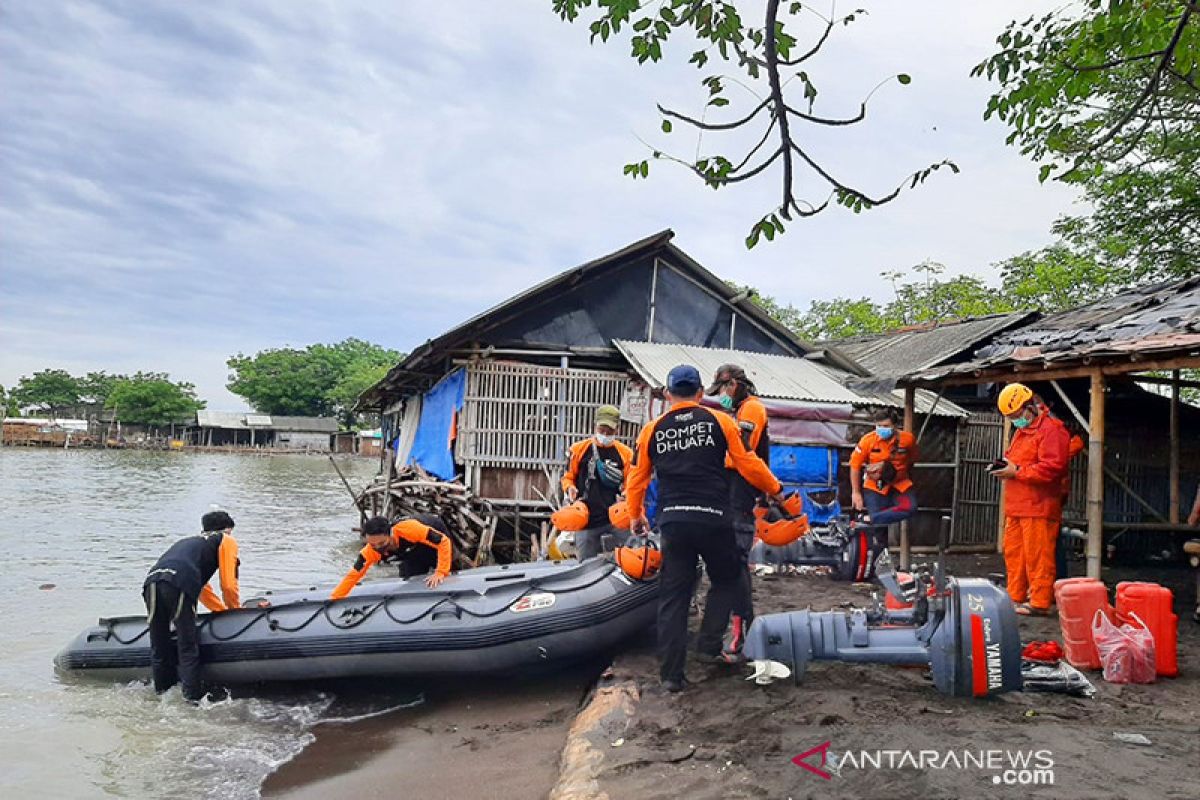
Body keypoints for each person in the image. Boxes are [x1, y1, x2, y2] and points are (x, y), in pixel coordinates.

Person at [626, 364, 787, 693]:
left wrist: (635, 514)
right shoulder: (721, 421)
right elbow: (749, 462)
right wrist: (776, 488)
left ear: (669, 394)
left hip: (673, 522)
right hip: (714, 518)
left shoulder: (652, 429)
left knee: (674, 596)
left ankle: (671, 677)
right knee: (727, 579)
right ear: (700, 393)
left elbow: (636, 478)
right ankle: (708, 644)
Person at [143, 510, 241, 701]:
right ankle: (192, 699)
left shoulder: (191, 543)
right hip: (178, 584)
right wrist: (234, 612)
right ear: (228, 529)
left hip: (152, 581)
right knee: (187, 645)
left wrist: (218, 609)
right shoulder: (226, 540)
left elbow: (201, 587)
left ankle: (162, 695)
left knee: (159, 645)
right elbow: (228, 584)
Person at [706, 363, 769, 657]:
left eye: (724, 389)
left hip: (740, 495)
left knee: (736, 563)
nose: (722, 395)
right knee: (731, 563)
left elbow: (741, 453)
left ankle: (743, 628)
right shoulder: (737, 412)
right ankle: (738, 627)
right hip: (730, 495)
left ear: (735, 385)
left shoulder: (753, 409)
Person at [990, 382, 1070, 616]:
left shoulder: (1052, 430)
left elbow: (1052, 468)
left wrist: (1016, 472)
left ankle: (1039, 602)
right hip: (1017, 505)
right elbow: (1017, 461)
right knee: (1014, 554)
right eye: (1011, 417)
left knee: (1039, 557)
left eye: (1016, 415)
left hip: (1039, 506)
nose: (1015, 420)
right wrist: (1005, 468)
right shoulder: (1022, 431)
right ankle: (1014, 596)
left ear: (1030, 407)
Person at [561, 405, 634, 560]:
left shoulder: (626, 454)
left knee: (630, 557)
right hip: (586, 518)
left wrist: (626, 494)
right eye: (602, 430)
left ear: (617, 430)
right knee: (585, 564)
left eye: (610, 431)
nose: (605, 434)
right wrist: (570, 488)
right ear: (595, 426)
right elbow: (568, 477)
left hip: (617, 517)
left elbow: (632, 483)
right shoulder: (578, 449)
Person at [331, 514, 452, 599]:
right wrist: (336, 596)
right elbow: (354, 574)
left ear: (390, 534)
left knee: (445, 569)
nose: (378, 547)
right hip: (409, 552)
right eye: (373, 544)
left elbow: (443, 541)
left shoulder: (408, 529)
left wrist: (441, 572)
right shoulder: (370, 551)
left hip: (432, 537)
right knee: (409, 577)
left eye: (382, 543)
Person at [849, 409, 919, 537]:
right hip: (875, 485)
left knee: (910, 508)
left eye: (886, 426)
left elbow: (912, 459)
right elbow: (855, 465)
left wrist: (900, 473)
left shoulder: (907, 440)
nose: (881, 429)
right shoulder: (867, 440)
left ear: (895, 426)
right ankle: (880, 554)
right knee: (878, 531)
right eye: (879, 426)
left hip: (900, 483)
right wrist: (856, 493)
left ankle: (868, 519)